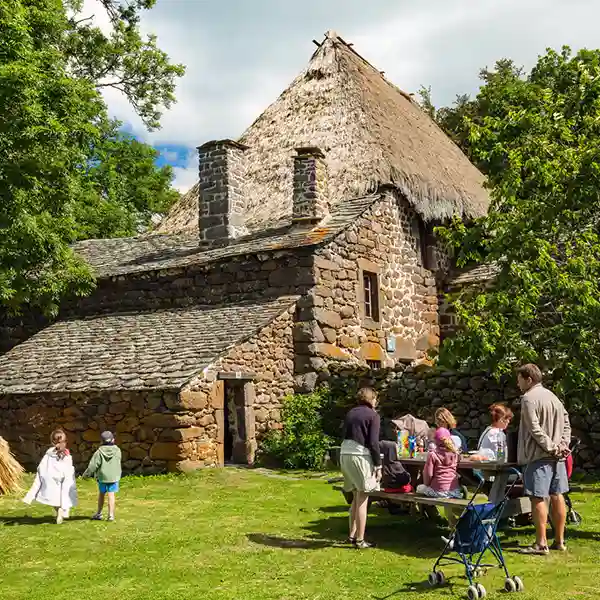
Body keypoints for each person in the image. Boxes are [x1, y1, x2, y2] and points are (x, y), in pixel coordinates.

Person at [516, 364, 571, 555]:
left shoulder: (529, 399)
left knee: (538, 497)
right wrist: (563, 445)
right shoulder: (553, 397)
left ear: (528, 379)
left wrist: (553, 448)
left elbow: (534, 429)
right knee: (557, 495)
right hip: (558, 457)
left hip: (539, 456)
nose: (518, 383)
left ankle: (541, 543)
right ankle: (560, 541)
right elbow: (566, 423)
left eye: (519, 379)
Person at [340, 387, 381, 549]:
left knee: (356, 497)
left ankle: (352, 535)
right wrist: (378, 464)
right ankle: (360, 540)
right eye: (375, 399)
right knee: (363, 498)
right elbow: (373, 442)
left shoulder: (351, 413)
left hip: (345, 453)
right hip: (360, 455)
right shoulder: (373, 415)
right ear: (371, 399)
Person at [23, 429, 78, 524]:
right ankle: (60, 511)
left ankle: (60, 511)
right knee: (59, 497)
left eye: (64, 441)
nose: (63, 444)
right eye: (61, 442)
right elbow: (46, 466)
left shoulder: (56, 453)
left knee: (57, 497)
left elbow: (44, 466)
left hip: (57, 478)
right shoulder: (57, 454)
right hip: (57, 478)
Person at [83, 431, 122, 522]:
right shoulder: (118, 450)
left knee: (101, 494)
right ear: (113, 440)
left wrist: (86, 475)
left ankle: (99, 513)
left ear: (101, 441)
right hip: (114, 477)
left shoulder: (98, 452)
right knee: (111, 494)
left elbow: (93, 465)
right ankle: (111, 515)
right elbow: (118, 462)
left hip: (102, 477)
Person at [416, 427, 462, 499]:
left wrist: (427, 484)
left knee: (419, 488)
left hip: (438, 491)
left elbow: (428, 474)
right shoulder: (455, 454)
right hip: (454, 491)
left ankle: (427, 509)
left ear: (435, 440)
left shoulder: (433, 454)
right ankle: (430, 509)